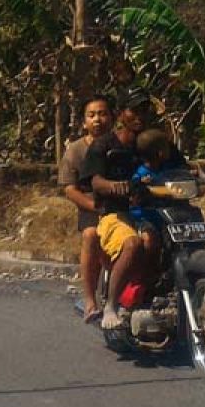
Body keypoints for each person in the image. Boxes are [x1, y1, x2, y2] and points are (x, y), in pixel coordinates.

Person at [79, 106, 154, 330]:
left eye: (144, 108)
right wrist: (113, 186)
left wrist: (203, 173)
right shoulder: (103, 145)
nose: (140, 115)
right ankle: (111, 306)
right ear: (121, 114)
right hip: (116, 213)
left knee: (158, 242)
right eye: (134, 109)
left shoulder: (153, 142)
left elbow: (176, 164)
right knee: (133, 244)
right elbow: (95, 182)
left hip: (153, 211)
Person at [59, 96, 114, 323]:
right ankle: (90, 301)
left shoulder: (121, 144)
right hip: (91, 203)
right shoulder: (75, 150)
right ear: (84, 122)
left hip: (120, 202)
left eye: (102, 114)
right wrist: (94, 206)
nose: (97, 119)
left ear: (111, 117)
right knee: (91, 236)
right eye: (92, 115)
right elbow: (70, 190)